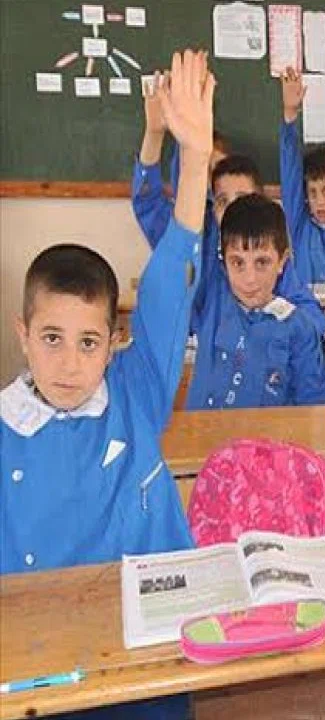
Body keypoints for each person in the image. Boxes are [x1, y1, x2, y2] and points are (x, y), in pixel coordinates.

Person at [2, 49, 215, 720]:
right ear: (22, 335)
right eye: (52, 339)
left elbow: (170, 279)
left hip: (147, 665)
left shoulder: (133, 393)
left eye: (89, 342)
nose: (70, 363)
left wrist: (195, 159)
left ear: (114, 341)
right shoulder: (5, 431)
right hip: (41, 669)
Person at [131, 80, 323, 336]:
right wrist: (155, 133)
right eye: (223, 201)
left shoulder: (268, 256)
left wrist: (273, 319)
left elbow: (313, 321)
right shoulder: (196, 242)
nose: (233, 209)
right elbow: (149, 201)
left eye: (242, 198)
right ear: (213, 206)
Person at [184, 193, 325, 409]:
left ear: (282, 261)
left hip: (271, 432)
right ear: (223, 262)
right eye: (238, 263)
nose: (250, 279)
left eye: (262, 262)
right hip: (203, 431)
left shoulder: (299, 328)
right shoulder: (212, 302)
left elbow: (314, 410)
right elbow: (191, 212)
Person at [280, 67, 325, 287]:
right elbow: (290, 173)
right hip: (307, 309)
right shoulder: (302, 228)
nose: (319, 201)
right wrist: (290, 114)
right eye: (313, 193)